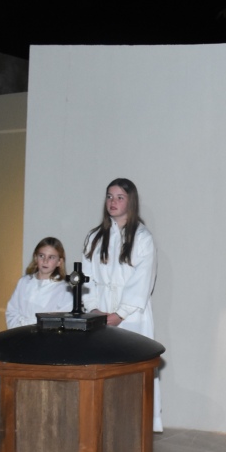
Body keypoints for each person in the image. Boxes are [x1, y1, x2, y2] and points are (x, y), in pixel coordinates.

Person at [83, 178, 162, 431]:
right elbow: (87, 276)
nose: (113, 202)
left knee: (131, 371)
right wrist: (94, 308)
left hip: (131, 316)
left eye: (119, 197)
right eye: (109, 196)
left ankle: (133, 425)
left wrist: (120, 313)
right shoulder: (95, 237)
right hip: (99, 313)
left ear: (131, 201)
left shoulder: (142, 238)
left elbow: (142, 280)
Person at [5, 237, 72, 328]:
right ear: (36, 258)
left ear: (59, 262)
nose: (45, 261)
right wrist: (20, 329)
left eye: (51, 257)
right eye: (41, 256)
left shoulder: (64, 290)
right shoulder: (24, 282)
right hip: (19, 335)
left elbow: (61, 323)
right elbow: (11, 312)